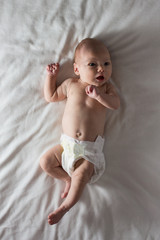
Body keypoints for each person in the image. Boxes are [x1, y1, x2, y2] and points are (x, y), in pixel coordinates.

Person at [40, 38, 120, 225]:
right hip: (66, 146)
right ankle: (67, 179)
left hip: (89, 152)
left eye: (106, 63)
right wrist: (51, 77)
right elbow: (51, 96)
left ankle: (65, 207)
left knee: (82, 175)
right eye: (93, 64)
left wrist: (99, 96)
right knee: (45, 162)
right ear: (77, 69)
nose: (101, 68)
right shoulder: (71, 85)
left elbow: (115, 105)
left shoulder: (107, 88)